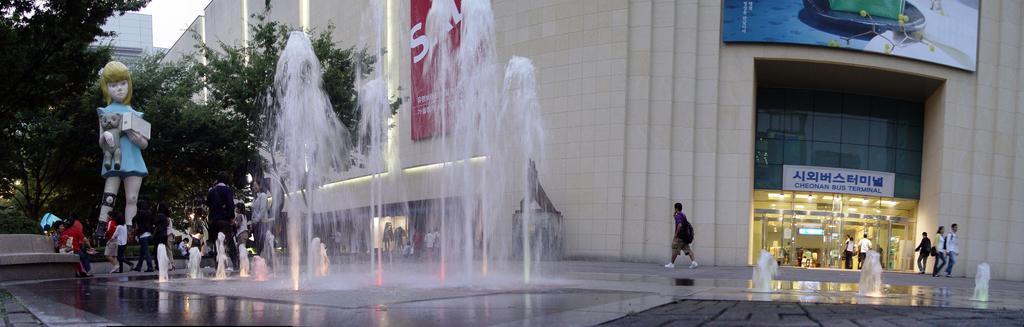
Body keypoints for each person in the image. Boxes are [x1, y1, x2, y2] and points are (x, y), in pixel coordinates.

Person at [94, 61, 150, 236]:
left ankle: (130, 229)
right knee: (108, 196)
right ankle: (101, 226)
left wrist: (136, 137)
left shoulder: (136, 114)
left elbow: (144, 144)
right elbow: (100, 141)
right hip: (112, 158)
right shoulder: (104, 111)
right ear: (106, 87)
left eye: (123, 83)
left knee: (132, 198)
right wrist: (107, 138)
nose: (119, 89)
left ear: (129, 84)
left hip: (133, 158)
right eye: (113, 85)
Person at [207, 171, 236, 267]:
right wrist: (231, 217)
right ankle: (236, 264)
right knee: (229, 241)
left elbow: (208, 204)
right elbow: (230, 204)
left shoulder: (211, 191)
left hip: (213, 221)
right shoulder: (227, 190)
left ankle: (218, 266)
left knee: (217, 243)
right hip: (224, 220)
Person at [665, 202, 698, 269]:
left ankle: (671, 264)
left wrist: (676, 234)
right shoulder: (683, 215)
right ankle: (694, 262)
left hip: (679, 237)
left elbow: (679, 225)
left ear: (676, 208)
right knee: (688, 250)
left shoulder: (678, 216)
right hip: (684, 237)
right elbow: (678, 220)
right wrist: (674, 215)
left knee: (675, 248)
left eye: (674, 208)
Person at [131, 200, 154, 272]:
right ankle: (138, 266)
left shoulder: (140, 212)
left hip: (142, 234)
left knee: (146, 252)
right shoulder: (150, 212)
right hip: (149, 234)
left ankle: (150, 267)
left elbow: (133, 219)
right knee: (142, 252)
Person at [153, 202, 172, 271]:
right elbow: (167, 224)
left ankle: (158, 265)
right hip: (164, 235)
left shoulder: (159, 215)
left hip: (159, 235)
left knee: (157, 250)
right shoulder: (166, 217)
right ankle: (164, 264)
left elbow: (154, 222)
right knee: (163, 250)